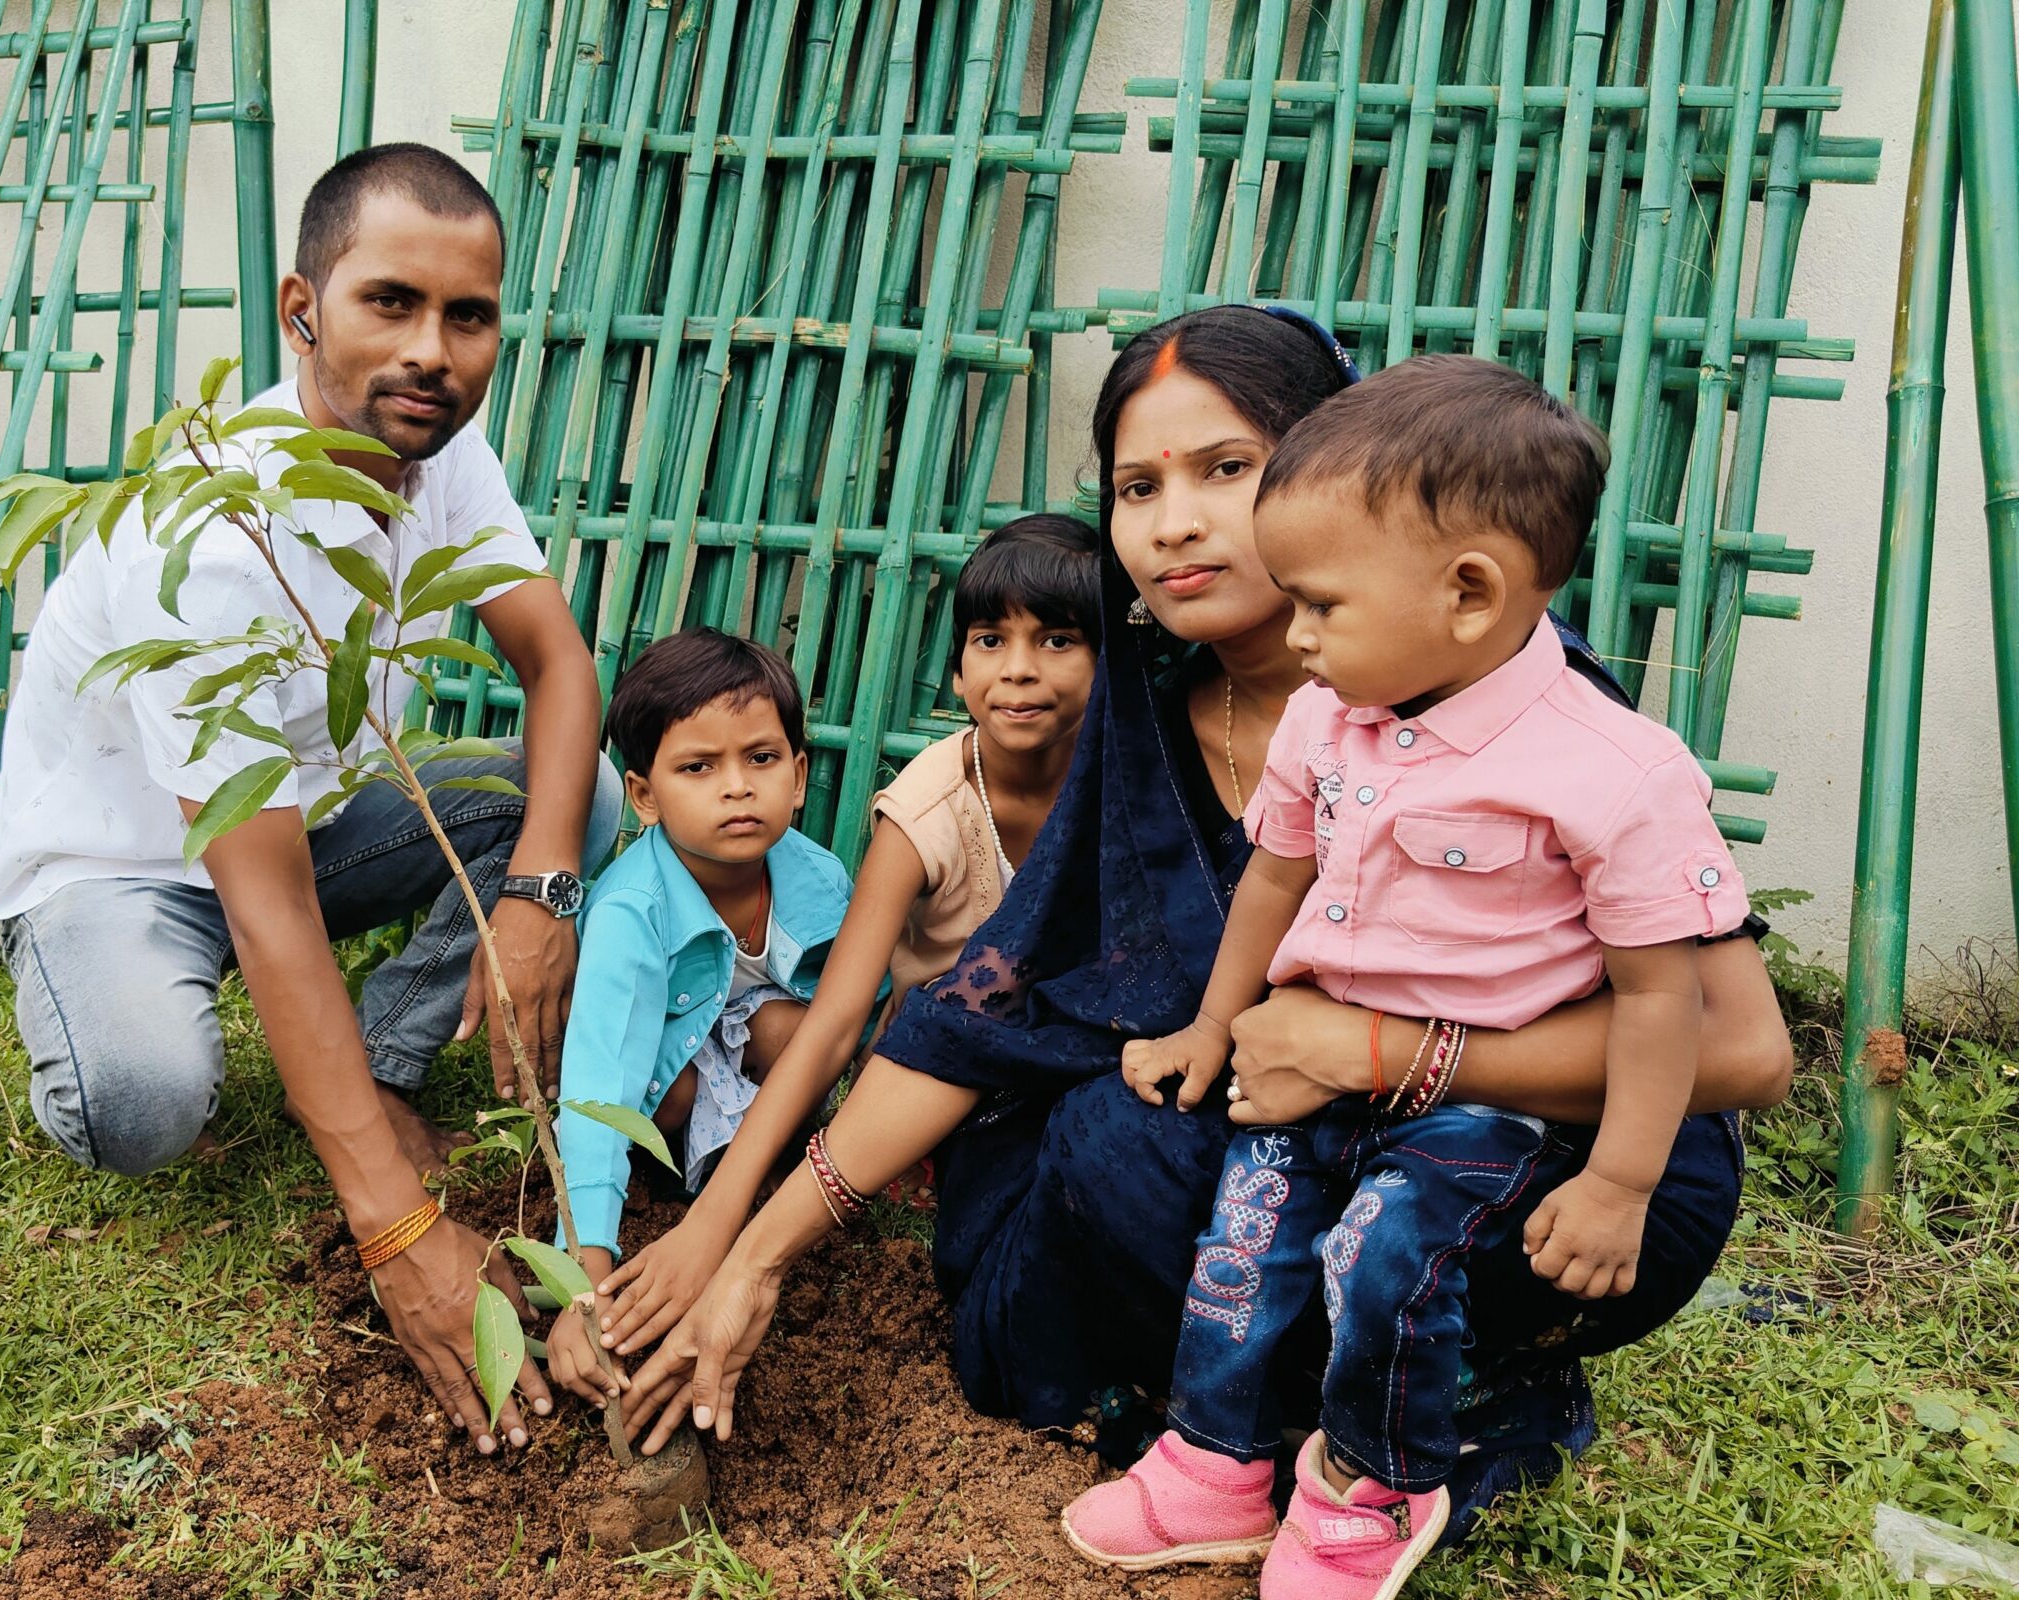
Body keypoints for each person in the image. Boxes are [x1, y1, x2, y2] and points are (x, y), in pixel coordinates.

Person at [622, 306, 1796, 1544]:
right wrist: (744, 1247)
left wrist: (1387, 1050)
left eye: (1225, 470)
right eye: (1137, 485)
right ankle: (1271, 1437)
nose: (1171, 521)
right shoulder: (1145, 711)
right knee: (1095, 1146)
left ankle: (1452, 1419)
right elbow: (994, 1005)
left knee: (1239, 1178)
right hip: (1300, 1131)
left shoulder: (1520, 709)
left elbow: (1742, 1052)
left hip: (1559, 1160)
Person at [0, 144, 618, 1456]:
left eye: (469, 316)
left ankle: (377, 1061)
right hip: (120, 870)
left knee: (573, 797)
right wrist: (399, 1233)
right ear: (300, 306)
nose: (433, 350)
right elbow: (265, 913)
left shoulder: (437, 449)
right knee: (143, 1104)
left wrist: (540, 895)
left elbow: (557, 664)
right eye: (392, 302)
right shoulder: (209, 543)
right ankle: (68, 1007)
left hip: (304, 824)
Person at [1072, 356, 1750, 1596]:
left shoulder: (1613, 771)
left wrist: (1616, 1182)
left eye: (1321, 603)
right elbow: (1274, 877)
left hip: (1486, 1109)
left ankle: (1367, 1490)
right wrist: (1212, 1026)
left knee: (1385, 1259)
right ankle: (1213, 1464)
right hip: (1321, 1075)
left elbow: (1671, 1002)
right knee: (1247, 1238)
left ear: (1468, 592)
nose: (1299, 633)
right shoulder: (1331, 718)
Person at [589, 514, 1103, 1360]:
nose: (1018, 669)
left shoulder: (1133, 779)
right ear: (956, 664)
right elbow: (833, 1022)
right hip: (954, 1073)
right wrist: (718, 1224)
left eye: (1056, 640)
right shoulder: (924, 813)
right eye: (988, 639)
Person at [540, 629, 854, 1405]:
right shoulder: (629, 911)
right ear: (643, 796)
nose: (738, 787)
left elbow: (851, 1020)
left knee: (793, 1033)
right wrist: (585, 1283)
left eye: (761, 758)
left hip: (751, 1043)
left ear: (800, 775)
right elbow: (599, 1093)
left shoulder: (819, 878)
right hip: (656, 1057)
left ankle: (773, 1158)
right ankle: (678, 1175)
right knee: (666, 1101)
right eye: (698, 767)